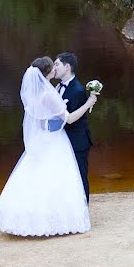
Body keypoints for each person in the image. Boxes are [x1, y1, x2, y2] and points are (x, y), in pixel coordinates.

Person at [0, 56, 96, 236]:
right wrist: (89, 103)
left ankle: (29, 216)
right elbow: (69, 118)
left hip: (43, 139)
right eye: (53, 66)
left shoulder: (37, 93)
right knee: (57, 178)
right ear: (48, 72)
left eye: (58, 64)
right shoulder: (49, 93)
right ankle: (56, 218)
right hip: (55, 140)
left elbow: (41, 121)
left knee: (38, 175)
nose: (55, 69)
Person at [54, 52, 93, 201]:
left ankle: (83, 210)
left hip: (77, 141)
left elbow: (71, 119)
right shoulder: (58, 87)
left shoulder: (77, 90)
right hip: (63, 141)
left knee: (80, 175)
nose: (54, 68)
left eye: (57, 64)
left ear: (67, 67)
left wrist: (89, 103)